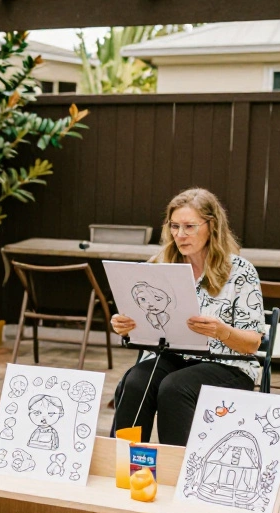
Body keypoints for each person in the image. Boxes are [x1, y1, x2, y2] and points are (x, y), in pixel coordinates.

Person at [110, 188, 265, 446]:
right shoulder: (159, 265)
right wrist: (126, 326)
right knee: (136, 381)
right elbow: (147, 325)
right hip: (173, 357)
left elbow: (252, 344)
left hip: (228, 363)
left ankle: (178, 472)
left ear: (211, 226)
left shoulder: (240, 271)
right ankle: (129, 467)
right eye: (174, 226)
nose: (180, 235)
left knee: (174, 387)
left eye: (190, 227)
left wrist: (221, 331)